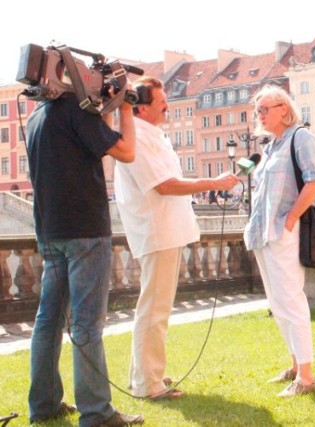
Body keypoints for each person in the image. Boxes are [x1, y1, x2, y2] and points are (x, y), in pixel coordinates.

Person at [114, 77, 238, 400]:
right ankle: (148, 384)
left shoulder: (149, 135)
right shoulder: (138, 136)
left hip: (163, 231)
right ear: (142, 107)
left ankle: (145, 375)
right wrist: (213, 183)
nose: (168, 105)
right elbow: (165, 185)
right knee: (154, 310)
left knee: (155, 308)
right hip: (157, 231)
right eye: (162, 101)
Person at [26, 90, 144, 425]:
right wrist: (125, 106)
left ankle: (44, 405)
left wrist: (103, 111)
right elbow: (126, 151)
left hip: (50, 230)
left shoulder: (38, 115)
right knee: (87, 323)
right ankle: (97, 413)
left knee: (47, 322)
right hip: (86, 231)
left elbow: (94, 144)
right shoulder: (76, 111)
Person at [244, 85, 315, 396]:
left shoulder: (301, 137)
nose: (260, 115)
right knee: (278, 303)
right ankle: (295, 364)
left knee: (291, 300)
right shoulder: (271, 146)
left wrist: (291, 218)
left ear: (284, 108)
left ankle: (306, 377)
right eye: (257, 111)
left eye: (265, 109)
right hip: (264, 233)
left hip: (283, 231)